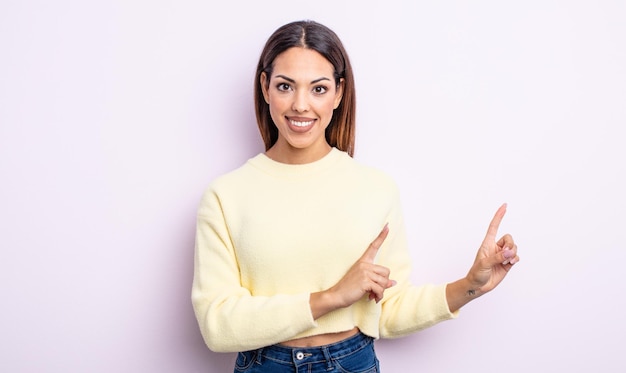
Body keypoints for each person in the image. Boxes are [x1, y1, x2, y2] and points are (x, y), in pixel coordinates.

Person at [191, 19, 519, 373]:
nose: (301, 105)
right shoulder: (226, 196)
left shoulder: (375, 188)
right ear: (265, 87)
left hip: (351, 363)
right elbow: (217, 325)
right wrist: (331, 298)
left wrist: (470, 286)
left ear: (339, 92)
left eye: (318, 89)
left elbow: (388, 309)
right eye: (286, 86)